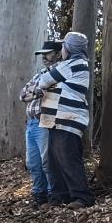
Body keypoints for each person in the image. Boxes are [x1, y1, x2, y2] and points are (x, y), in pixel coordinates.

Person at [34, 30, 95, 209]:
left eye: (63, 46)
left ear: (68, 48)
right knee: (54, 160)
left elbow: (43, 81)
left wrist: (51, 84)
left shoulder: (74, 64)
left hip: (68, 118)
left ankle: (82, 197)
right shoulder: (73, 64)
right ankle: (59, 197)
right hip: (57, 119)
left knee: (68, 158)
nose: (61, 50)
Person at [19, 38, 63, 206]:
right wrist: (39, 90)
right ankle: (39, 194)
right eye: (42, 54)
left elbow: (42, 91)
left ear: (58, 54)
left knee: (47, 161)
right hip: (31, 122)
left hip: (45, 121)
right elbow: (23, 94)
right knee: (32, 163)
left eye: (48, 53)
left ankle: (53, 195)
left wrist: (37, 90)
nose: (44, 57)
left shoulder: (60, 71)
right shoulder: (40, 73)